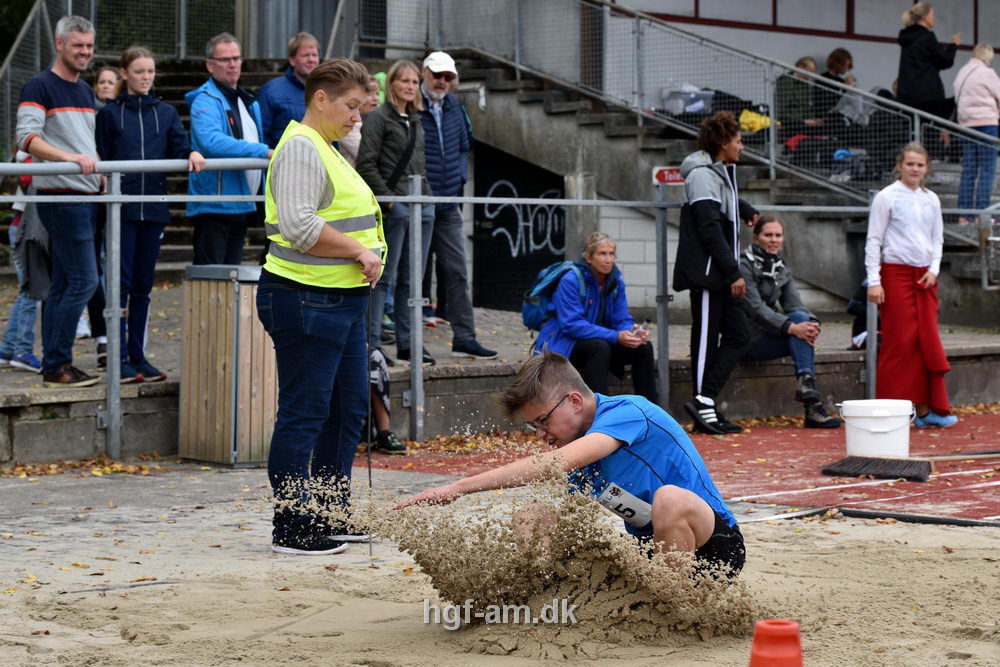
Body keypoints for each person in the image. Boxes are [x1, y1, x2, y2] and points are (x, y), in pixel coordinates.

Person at [395, 352, 745, 577]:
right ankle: (542, 598)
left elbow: (554, 464)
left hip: (715, 548)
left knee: (669, 498)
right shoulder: (575, 450)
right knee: (532, 517)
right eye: (533, 426)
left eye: (542, 421)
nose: (540, 434)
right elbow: (568, 516)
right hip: (649, 553)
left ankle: (676, 606)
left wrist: (457, 488)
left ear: (575, 401)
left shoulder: (628, 412)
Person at [258, 58, 385, 555]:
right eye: (351, 106)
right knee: (306, 413)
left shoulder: (326, 148)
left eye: (361, 108)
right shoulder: (301, 147)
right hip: (305, 297)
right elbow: (299, 225)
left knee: (347, 408)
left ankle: (330, 512)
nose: (357, 116)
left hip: (338, 299)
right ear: (321, 99)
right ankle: (291, 524)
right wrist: (359, 251)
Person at [96, 46, 206, 383]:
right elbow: (101, 155)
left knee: (143, 286)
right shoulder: (109, 114)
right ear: (124, 73)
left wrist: (192, 151)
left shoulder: (167, 113)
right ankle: (117, 357)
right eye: (139, 71)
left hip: (154, 208)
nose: (146, 77)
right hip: (122, 209)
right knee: (120, 284)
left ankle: (138, 355)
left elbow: (179, 146)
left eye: (150, 71)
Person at [15, 15, 101, 388]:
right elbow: (27, 138)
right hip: (61, 196)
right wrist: (70, 159)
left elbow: (85, 144)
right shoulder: (39, 86)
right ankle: (57, 363)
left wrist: (97, 169)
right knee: (84, 281)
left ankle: (55, 364)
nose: (85, 52)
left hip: (86, 195)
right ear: (59, 44)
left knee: (66, 283)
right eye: (78, 45)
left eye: (89, 46)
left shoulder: (84, 90)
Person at [673, 111, 758, 435]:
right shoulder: (701, 175)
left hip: (721, 273)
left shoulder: (716, 173)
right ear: (724, 143)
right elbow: (709, 227)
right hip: (710, 274)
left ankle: (705, 399)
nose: (741, 147)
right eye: (738, 141)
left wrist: (744, 208)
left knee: (740, 334)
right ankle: (702, 404)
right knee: (705, 340)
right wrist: (733, 272)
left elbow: (722, 204)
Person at [866, 142, 957, 428]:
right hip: (895, 275)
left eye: (920, 165)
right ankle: (893, 410)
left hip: (925, 278)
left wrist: (934, 270)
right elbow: (874, 240)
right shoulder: (886, 197)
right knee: (900, 342)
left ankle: (927, 410)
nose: (915, 169)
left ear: (927, 168)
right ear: (900, 165)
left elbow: (937, 238)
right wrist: (874, 280)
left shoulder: (932, 199)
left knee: (927, 342)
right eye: (910, 164)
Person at [356, 59, 436, 365]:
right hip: (396, 209)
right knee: (384, 276)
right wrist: (389, 201)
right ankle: (373, 344)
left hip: (421, 206)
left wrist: (428, 200)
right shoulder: (377, 118)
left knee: (413, 279)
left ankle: (409, 343)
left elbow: (421, 164)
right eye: (404, 81)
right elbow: (366, 164)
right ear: (392, 84)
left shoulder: (416, 119)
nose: (410, 86)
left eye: (414, 82)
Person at [418, 51, 497, 360]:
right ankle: (408, 343)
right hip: (418, 202)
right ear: (424, 72)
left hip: (449, 203)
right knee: (411, 275)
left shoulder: (455, 106)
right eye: (437, 75)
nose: (442, 81)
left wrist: (460, 179)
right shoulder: (412, 104)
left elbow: (465, 146)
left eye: (448, 77)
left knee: (458, 273)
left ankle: (464, 337)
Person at [739, 216, 842, 429]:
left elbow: (794, 304)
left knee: (802, 322)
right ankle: (812, 407)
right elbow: (756, 309)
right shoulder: (744, 264)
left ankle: (807, 386)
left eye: (778, 235)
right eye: (768, 235)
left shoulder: (780, 266)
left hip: (770, 332)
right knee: (798, 329)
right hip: (746, 338)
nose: (774, 240)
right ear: (756, 237)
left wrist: (811, 323)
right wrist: (792, 328)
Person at [532, 232, 657, 404]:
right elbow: (572, 325)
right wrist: (616, 336)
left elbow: (621, 318)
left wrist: (631, 331)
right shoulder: (570, 280)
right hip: (564, 344)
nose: (608, 260)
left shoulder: (616, 282)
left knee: (643, 347)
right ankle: (599, 410)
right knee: (599, 347)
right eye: (602, 254)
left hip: (599, 341)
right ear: (588, 257)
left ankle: (649, 410)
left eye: (611, 254)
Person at [186, 32, 271, 265]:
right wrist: (263, 151)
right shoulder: (205, 100)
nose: (232, 64)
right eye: (225, 59)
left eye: (236, 58)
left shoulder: (247, 100)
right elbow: (211, 142)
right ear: (210, 65)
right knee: (209, 278)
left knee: (230, 276)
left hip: (241, 202)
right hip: (215, 204)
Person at [0, 151, 43, 373]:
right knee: (31, 290)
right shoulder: (32, 155)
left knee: (26, 290)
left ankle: (8, 349)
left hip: (24, 226)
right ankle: (22, 351)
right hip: (27, 227)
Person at [953, 44, 1000, 222]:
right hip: (987, 124)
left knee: (969, 170)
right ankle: (982, 214)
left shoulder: (962, 72)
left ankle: (963, 216)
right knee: (987, 170)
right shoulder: (988, 73)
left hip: (966, 125)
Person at [896, 2, 960, 120]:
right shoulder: (927, 37)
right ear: (925, 17)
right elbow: (945, 60)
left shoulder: (906, 37)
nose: (934, 17)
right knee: (930, 128)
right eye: (932, 14)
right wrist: (953, 45)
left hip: (907, 96)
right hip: (928, 97)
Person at [257, 32, 320, 149]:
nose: (311, 60)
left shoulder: (326, 91)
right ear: (292, 60)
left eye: (314, 55)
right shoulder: (271, 90)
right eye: (306, 55)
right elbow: (261, 134)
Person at [775, 56, 824, 137]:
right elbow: (782, 111)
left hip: (802, 123)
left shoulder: (805, 84)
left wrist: (813, 120)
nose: (810, 77)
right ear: (801, 67)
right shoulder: (785, 81)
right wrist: (803, 121)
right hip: (788, 123)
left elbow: (806, 107)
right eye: (808, 73)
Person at [338, 76, 380, 166]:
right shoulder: (349, 124)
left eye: (377, 93)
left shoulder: (375, 121)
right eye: (369, 94)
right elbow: (366, 155)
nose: (375, 98)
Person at [814, 48, 856, 119]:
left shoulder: (841, 81)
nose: (847, 69)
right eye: (846, 66)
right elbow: (827, 103)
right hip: (827, 116)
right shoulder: (822, 79)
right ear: (838, 63)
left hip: (841, 115)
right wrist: (844, 87)